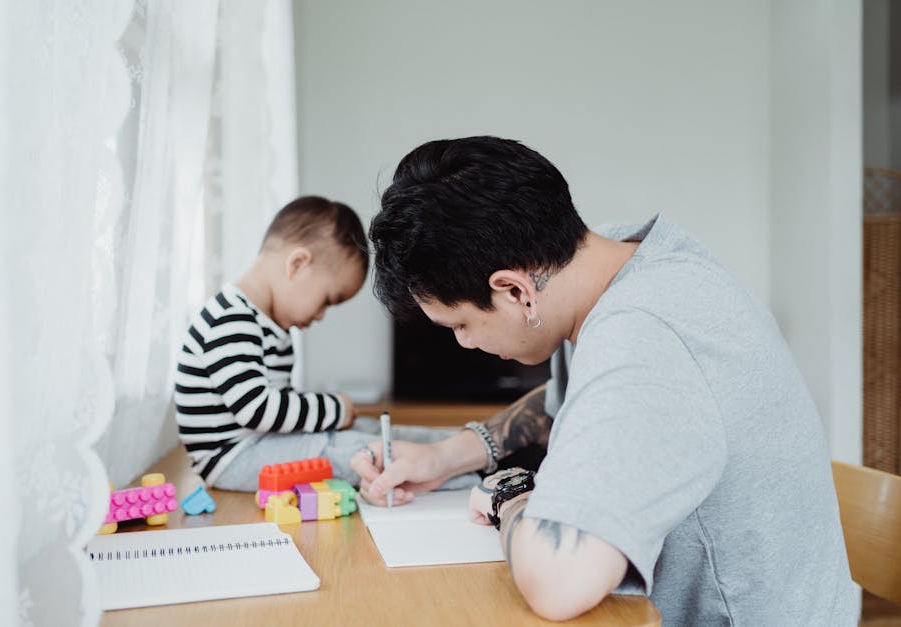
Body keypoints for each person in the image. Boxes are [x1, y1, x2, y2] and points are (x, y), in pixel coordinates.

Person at [353, 137, 857, 625]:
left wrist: (510, 492)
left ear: (514, 290)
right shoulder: (612, 260)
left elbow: (559, 582)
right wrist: (450, 455)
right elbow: (579, 408)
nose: (463, 343)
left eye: (460, 325)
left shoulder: (642, 339)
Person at [174, 195, 479, 491]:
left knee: (371, 431)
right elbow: (256, 409)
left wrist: (334, 416)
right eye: (327, 301)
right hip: (232, 457)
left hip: (257, 443)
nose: (320, 316)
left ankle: (457, 450)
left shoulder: (266, 323)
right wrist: (333, 408)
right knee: (356, 451)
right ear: (297, 264)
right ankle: (469, 476)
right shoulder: (231, 319)